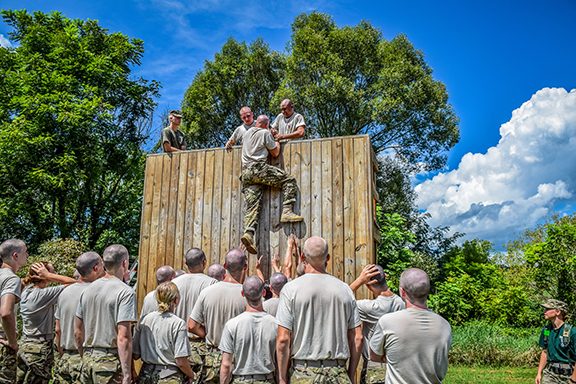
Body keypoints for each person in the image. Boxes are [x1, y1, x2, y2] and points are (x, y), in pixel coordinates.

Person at [276, 236, 362, 384]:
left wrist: (282, 377)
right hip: (338, 372)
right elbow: (357, 337)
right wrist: (350, 373)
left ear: (303, 257)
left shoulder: (290, 289)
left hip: (304, 372)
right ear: (327, 258)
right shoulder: (345, 289)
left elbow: (283, 339)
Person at [370, 268, 452, 384]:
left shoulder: (388, 322)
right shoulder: (444, 325)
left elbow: (374, 356)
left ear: (402, 292)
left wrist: (392, 357)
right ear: (428, 291)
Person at [240, 114, 302, 254]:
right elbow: (275, 153)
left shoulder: (247, 133)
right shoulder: (265, 133)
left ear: (257, 123)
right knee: (289, 180)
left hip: (246, 174)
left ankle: (249, 234)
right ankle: (287, 211)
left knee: (253, 206)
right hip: (258, 169)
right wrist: (277, 140)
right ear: (266, 125)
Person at [75, 244, 137, 384]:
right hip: (109, 364)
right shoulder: (125, 292)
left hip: (88, 361)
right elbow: (123, 336)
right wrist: (127, 374)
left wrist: (84, 356)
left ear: (103, 263)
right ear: (125, 263)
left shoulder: (87, 290)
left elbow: (78, 331)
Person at [189, 249, 248, 384]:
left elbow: (191, 325)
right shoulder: (247, 295)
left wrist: (207, 334)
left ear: (225, 266)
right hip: (238, 358)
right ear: (245, 267)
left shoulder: (207, 292)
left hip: (212, 359)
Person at [17, 262, 76, 384]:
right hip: (39, 348)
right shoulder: (43, 294)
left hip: (24, 343)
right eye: (51, 272)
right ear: (43, 275)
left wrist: (45, 275)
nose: (53, 274)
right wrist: (48, 275)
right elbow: (75, 284)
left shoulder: (25, 291)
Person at [53, 252, 105, 384]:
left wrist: (61, 354)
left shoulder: (64, 292)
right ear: (96, 268)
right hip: (86, 356)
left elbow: (58, 329)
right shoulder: (96, 292)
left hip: (65, 356)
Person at [350, 265, 405, 384]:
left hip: (375, 368)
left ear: (368, 285)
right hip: (397, 367)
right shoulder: (401, 303)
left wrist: (359, 280)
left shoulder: (369, 307)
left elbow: (341, 299)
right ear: (385, 277)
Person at [219, 276, 277, 384]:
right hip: (267, 379)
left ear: (242, 294)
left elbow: (226, 365)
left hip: (240, 380)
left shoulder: (232, 325)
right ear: (264, 292)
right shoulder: (276, 324)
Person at [134, 281, 195, 384]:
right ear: (176, 300)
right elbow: (180, 361)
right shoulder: (178, 323)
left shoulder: (144, 320)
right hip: (169, 376)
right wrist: (192, 374)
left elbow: (135, 354)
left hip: (145, 375)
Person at [172, 248, 218, 381]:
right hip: (200, 346)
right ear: (204, 262)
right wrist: (206, 334)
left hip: (176, 345)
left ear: (185, 262)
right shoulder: (211, 283)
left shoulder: (174, 283)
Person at [0, 239, 28, 384]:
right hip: (3, 342)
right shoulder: (11, 279)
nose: (27, 255)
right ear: (15, 255)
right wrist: (12, 343)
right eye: (25, 252)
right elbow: (5, 312)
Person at [535, 299, 576, 384]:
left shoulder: (572, 332)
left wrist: (573, 380)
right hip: (550, 374)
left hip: (568, 375)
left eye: (547, 309)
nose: (544, 312)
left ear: (558, 312)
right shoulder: (546, 330)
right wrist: (539, 373)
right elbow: (545, 351)